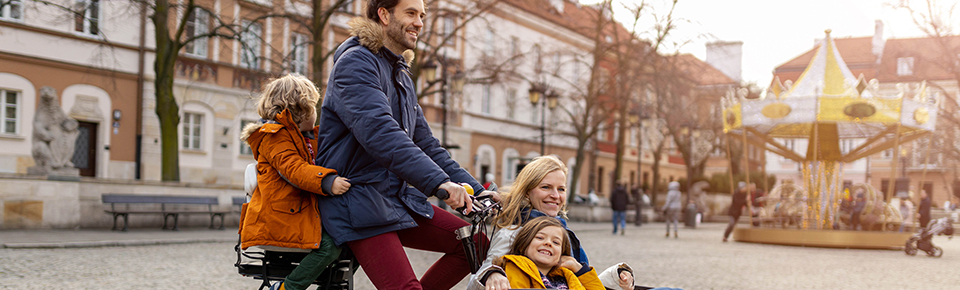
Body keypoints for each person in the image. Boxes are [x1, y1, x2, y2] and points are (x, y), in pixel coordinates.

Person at [313, 0, 486, 288]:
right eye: (410, 13)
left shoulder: (400, 74)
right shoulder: (356, 63)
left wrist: (481, 192)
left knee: (476, 244)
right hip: (358, 201)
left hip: (395, 199)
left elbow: (427, 145)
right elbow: (381, 134)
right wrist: (439, 184)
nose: (419, 22)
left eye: (422, 15)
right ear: (384, 14)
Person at [238, 74, 352, 290]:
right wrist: (328, 181)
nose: (317, 114)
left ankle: (331, 286)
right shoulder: (275, 137)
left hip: (299, 212)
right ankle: (286, 288)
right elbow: (294, 170)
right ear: (299, 110)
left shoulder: (307, 137)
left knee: (353, 237)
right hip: (281, 217)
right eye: (313, 107)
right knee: (330, 245)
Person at [469, 156, 636, 290]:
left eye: (561, 189)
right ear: (527, 192)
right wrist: (493, 274)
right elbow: (477, 281)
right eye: (546, 187)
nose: (556, 195)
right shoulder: (514, 231)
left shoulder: (561, 229)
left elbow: (580, 282)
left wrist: (617, 276)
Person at [490, 216, 603, 290]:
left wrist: (578, 267)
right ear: (522, 245)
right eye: (540, 238)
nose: (548, 243)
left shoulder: (566, 276)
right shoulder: (518, 267)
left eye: (556, 242)